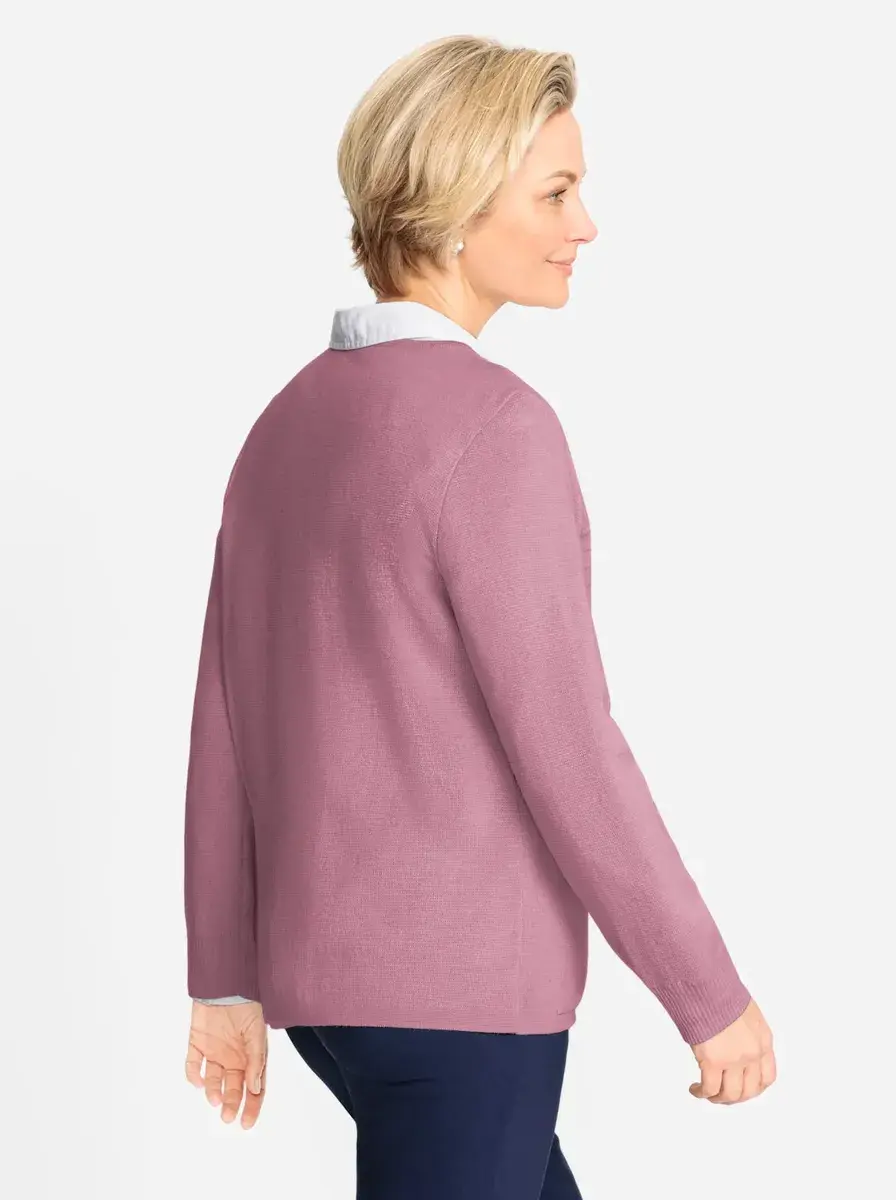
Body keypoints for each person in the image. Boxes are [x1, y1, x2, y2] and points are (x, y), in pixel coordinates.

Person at [182, 33, 776, 1197]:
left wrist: (224, 977)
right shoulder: (496, 430)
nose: (583, 224)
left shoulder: (284, 425)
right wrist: (705, 994)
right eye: (554, 192)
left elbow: (224, 724)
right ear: (458, 205)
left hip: (330, 1002)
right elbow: (568, 748)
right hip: (460, 1006)